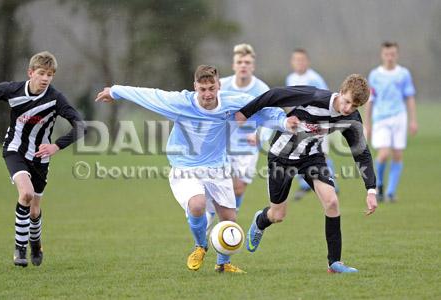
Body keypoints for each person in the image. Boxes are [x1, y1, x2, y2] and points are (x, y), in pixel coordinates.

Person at [95, 65, 292, 273]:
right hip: (184, 167)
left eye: (211, 88)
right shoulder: (180, 103)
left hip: (217, 167)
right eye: (202, 89)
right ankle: (200, 246)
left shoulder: (232, 102)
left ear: (218, 86)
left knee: (230, 220)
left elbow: (263, 108)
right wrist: (115, 91)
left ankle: (223, 264)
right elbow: (149, 95)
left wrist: (284, 122)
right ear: (195, 87)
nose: (207, 94)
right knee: (197, 205)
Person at [236, 74, 378, 273]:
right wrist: (244, 113)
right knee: (277, 215)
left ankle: (335, 263)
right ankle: (261, 220)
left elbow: (361, 152)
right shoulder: (314, 96)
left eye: (354, 106)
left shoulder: (350, 118)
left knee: (332, 201)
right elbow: (275, 94)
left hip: (312, 157)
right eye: (346, 102)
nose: (348, 109)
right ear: (341, 91)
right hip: (282, 157)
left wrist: (371, 189)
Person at [0, 51, 86, 267]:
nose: (45, 78)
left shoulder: (55, 98)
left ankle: (36, 243)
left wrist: (56, 145)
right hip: (14, 150)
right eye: (41, 73)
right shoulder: (12, 90)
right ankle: (20, 249)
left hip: (40, 159)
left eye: (50, 74)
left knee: (34, 211)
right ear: (30, 72)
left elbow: (82, 127)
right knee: (25, 194)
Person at [219, 43, 271, 212]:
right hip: (222, 143)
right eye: (240, 62)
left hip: (247, 145)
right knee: (220, 186)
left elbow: (271, 118)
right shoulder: (221, 86)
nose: (243, 65)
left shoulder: (262, 90)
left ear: (253, 66)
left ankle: (230, 219)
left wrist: (260, 136)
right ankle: (216, 224)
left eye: (247, 62)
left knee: (238, 188)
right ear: (234, 65)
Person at [365, 41, 417, 202]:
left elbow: (409, 97)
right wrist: (367, 124)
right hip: (381, 118)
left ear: (397, 55)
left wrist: (413, 120)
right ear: (382, 55)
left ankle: (391, 192)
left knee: (397, 155)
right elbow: (370, 100)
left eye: (393, 54)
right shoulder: (375, 75)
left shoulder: (404, 74)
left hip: (399, 117)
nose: (390, 57)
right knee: (383, 154)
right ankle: (379, 185)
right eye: (387, 54)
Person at [285, 48, 339, 200]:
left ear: (307, 61)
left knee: (321, 153)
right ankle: (304, 185)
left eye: (302, 60)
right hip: (299, 123)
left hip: (317, 123)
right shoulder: (290, 79)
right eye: (296, 60)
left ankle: (332, 183)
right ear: (292, 62)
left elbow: (326, 100)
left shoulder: (315, 78)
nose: (299, 63)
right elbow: (289, 101)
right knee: (298, 153)